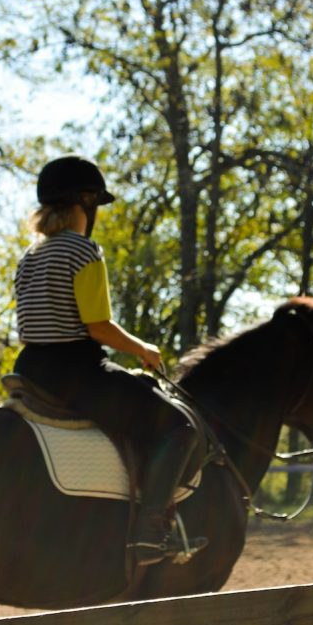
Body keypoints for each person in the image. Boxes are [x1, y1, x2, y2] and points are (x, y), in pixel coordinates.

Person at [13, 155, 207, 566]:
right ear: (85, 203)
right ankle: (149, 534)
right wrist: (142, 349)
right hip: (76, 372)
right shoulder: (84, 252)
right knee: (179, 428)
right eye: (96, 204)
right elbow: (98, 326)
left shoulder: (30, 256)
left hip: (29, 368)